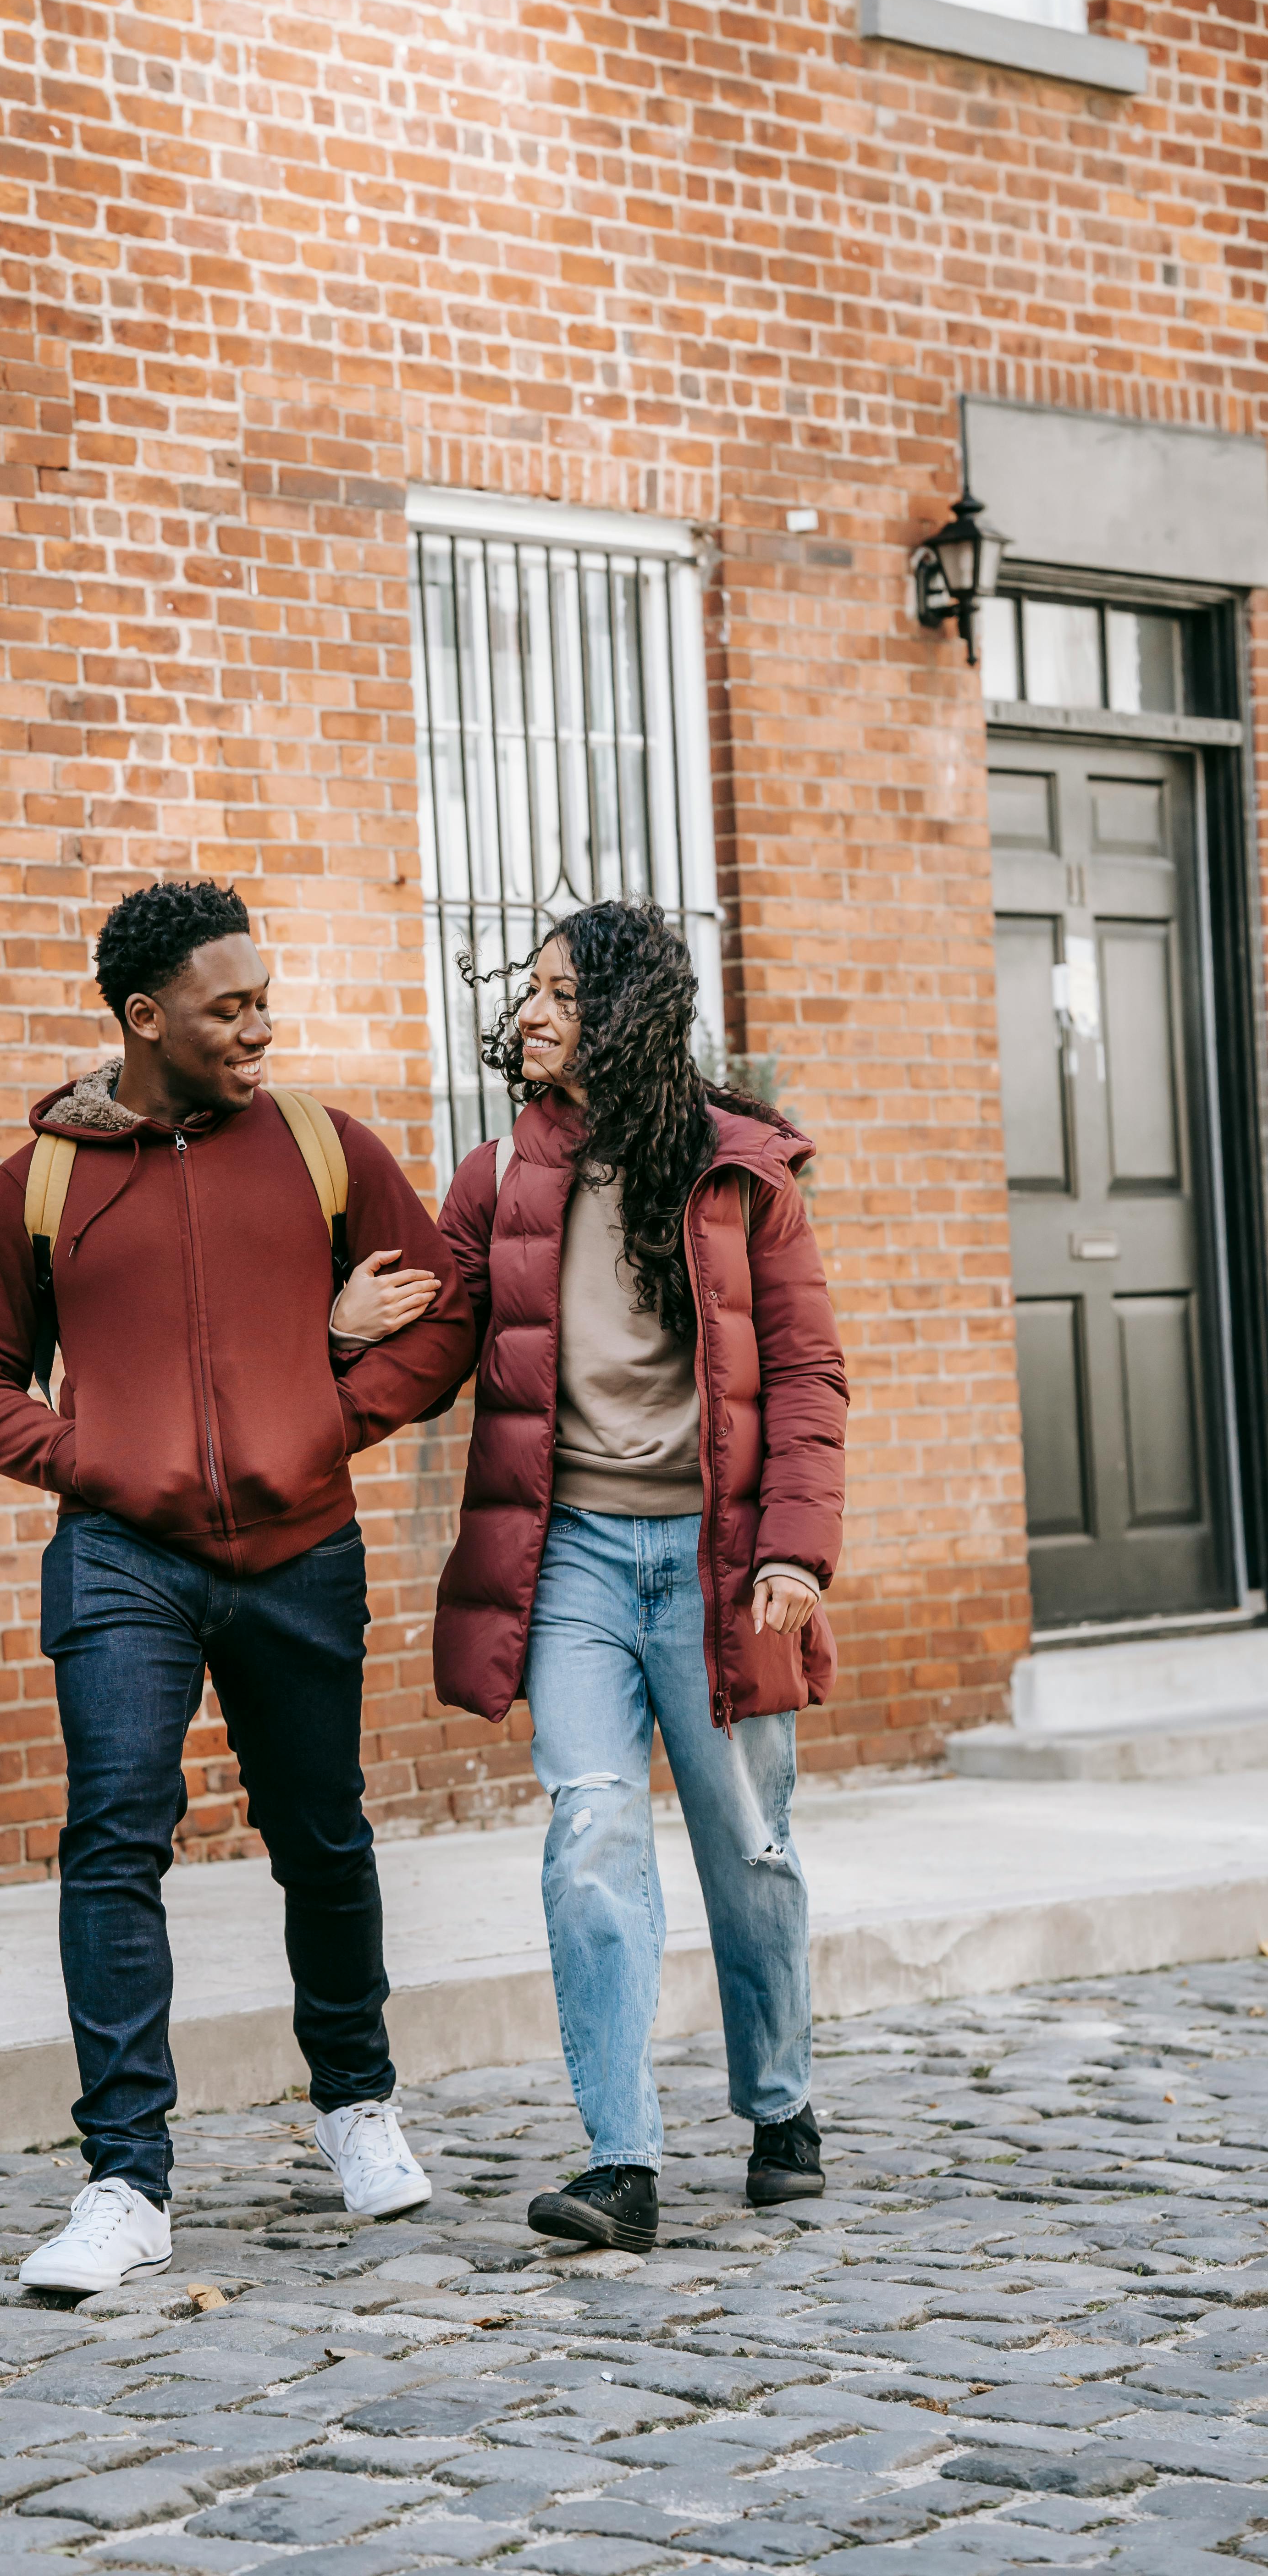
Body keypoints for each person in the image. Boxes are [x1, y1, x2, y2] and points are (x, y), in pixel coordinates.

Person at [0, 880, 474, 2296]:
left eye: (265, 1000)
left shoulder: (319, 1146)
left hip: (303, 1551)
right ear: (143, 1017)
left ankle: (356, 2107)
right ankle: (126, 2184)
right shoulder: (43, 1179)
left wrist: (330, 1415)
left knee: (323, 1833)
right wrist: (90, 1460)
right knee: (113, 1839)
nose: (260, 1028)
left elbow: (446, 1314)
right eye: (229, 1009)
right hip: (123, 1557)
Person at [430, 899, 848, 2252]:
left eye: (563, 993)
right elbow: (427, 1342)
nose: (534, 1011)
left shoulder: (742, 1173)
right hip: (576, 1566)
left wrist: (794, 1545)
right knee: (591, 1834)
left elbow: (807, 1375)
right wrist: (329, 1333)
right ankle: (624, 2162)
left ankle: (780, 2104)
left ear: (627, 1015)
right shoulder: (497, 1177)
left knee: (752, 1851)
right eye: (531, 989)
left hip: (724, 1565)